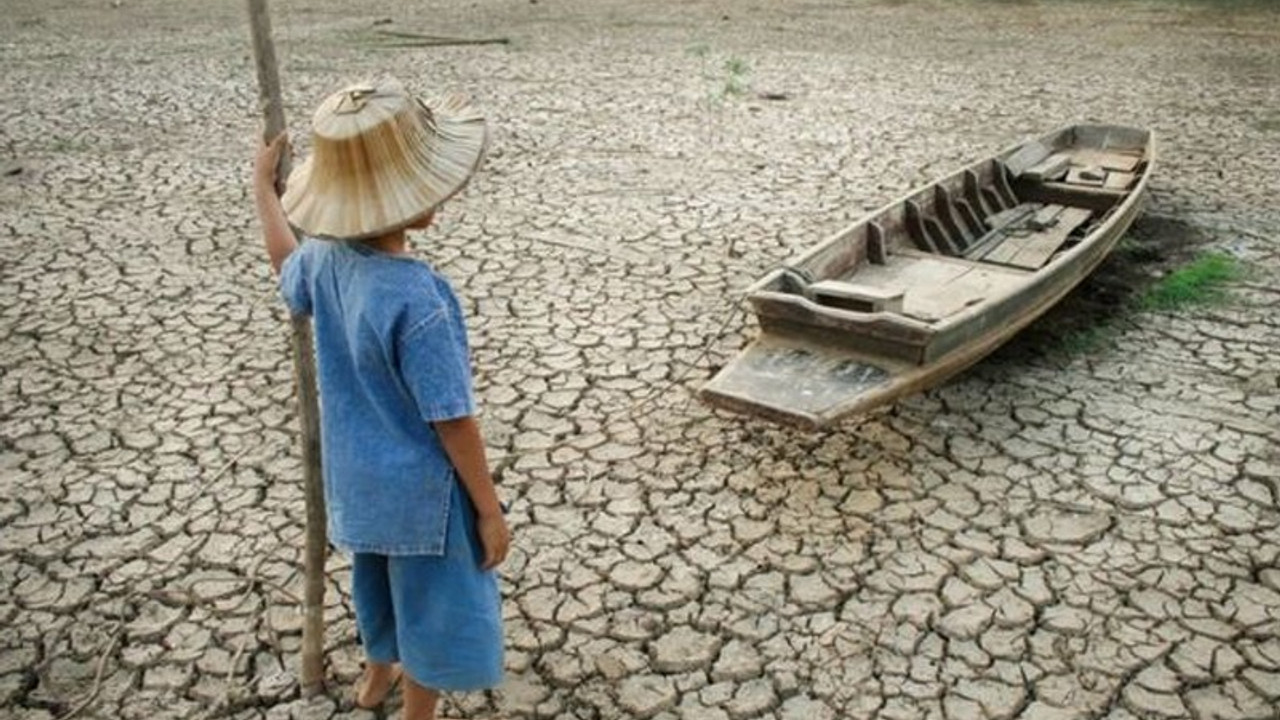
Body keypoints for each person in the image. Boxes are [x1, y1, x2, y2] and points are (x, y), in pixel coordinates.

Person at [251, 78, 509, 720]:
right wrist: (489, 508)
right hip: (423, 497)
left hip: (356, 482)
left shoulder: (326, 259)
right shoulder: (419, 299)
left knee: (376, 587)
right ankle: (416, 710)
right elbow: (451, 418)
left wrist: (263, 193)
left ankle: (374, 676)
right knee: (428, 607)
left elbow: (286, 267)